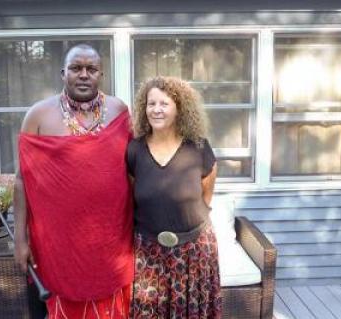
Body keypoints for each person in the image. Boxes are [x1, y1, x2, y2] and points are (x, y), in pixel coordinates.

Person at [14, 44, 133, 319]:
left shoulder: (119, 110)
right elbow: (22, 181)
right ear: (62, 73)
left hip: (111, 240)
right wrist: (19, 240)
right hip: (58, 245)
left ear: (100, 74)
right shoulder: (38, 115)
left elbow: (132, 170)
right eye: (75, 68)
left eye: (91, 69)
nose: (83, 75)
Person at [127, 76, 222, 318]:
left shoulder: (198, 147)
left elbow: (206, 193)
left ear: (179, 108)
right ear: (143, 108)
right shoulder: (134, 150)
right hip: (148, 253)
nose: (156, 110)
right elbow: (133, 194)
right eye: (151, 104)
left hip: (193, 251)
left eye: (164, 104)